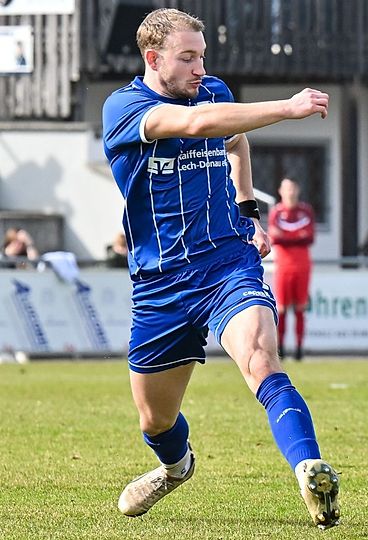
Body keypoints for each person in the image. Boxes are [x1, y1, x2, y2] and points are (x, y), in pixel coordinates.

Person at [101, 9, 339, 528]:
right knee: (156, 419)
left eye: (202, 56)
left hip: (227, 262)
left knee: (260, 359)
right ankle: (176, 466)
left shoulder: (213, 91)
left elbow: (233, 140)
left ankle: (310, 468)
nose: (198, 68)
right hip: (160, 282)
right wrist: (288, 107)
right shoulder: (124, 108)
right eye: (186, 58)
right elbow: (196, 125)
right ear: (152, 59)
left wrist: (249, 210)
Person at [268, 178, 315, 361]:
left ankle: (299, 349)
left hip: (303, 265)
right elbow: (275, 237)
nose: (290, 192)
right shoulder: (276, 212)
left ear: (298, 189)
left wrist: (286, 236)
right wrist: (297, 236)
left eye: (293, 188)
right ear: (281, 191)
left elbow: (309, 237)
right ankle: (281, 348)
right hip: (283, 265)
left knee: (300, 308)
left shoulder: (306, 211)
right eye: (287, 188)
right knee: (281, 309)